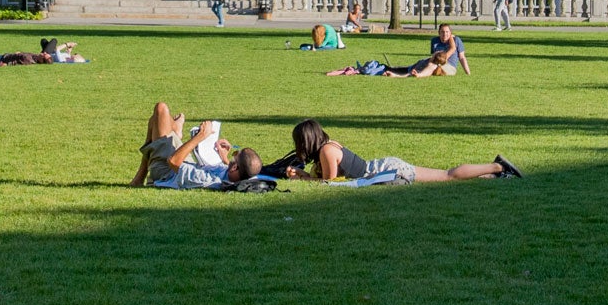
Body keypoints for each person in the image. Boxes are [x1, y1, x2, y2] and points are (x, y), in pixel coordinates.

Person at [285, 118, 520, 183]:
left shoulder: (327, 152)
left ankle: (498, 166)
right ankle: (493, 175)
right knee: (447, 175)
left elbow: (330, 182)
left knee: (447, 176)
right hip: (385, 166)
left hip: (389, 170)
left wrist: (305, 178)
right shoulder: (329, 145)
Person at [131, 103, 231, 187]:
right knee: (159, 118)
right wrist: (224, 158)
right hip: (187, 164)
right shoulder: (239, 177)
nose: (232, 160)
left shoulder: (206, 179)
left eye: (235, 160)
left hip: (168, 172)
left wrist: (201, 136)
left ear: (235, 169)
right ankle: (175, 133)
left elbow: (173, 161)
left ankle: (176, 132)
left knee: (161, 110)